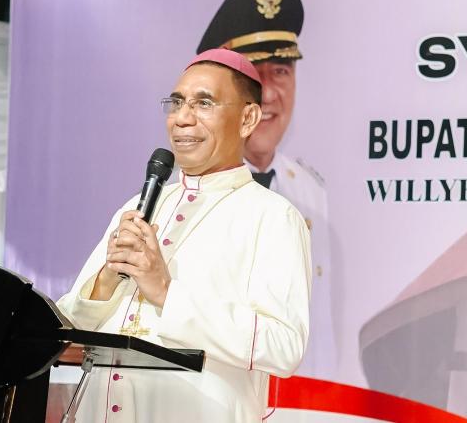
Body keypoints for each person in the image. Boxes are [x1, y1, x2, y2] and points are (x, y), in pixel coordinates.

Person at [57, 48, 311, 422]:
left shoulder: (273, 217)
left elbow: (284, 347)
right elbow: (68, 329)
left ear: (248, 118)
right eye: (176, 103)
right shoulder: (139, 205)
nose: (181, 118)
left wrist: (166, 293)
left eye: (203, 103)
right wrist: (107, 281)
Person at [197, 0, 335, 378]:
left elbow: (317, 322)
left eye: (282, 71)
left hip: (301, 398)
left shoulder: (311, 189)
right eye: (254, 74)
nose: (270, 92)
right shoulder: (190, 192)